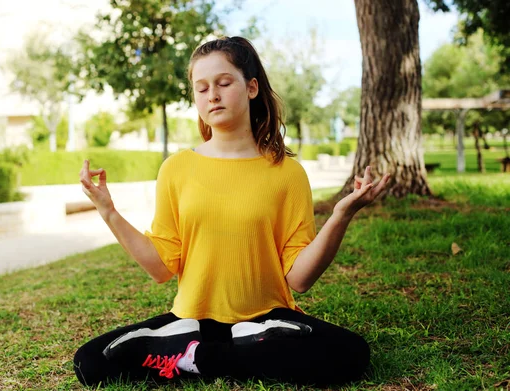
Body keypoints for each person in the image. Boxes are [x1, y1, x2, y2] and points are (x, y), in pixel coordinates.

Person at [74, 36, 391, 388]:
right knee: (90, 362)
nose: (212, 95)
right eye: (202, 88)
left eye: (224, 83)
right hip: (193, 319)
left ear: (251, 87)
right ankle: (207, 349)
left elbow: (299, 279)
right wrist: (109, 211)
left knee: (350, 353)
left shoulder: (286, 173)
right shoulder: (176, 168)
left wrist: (341, 216)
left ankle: (193, 357)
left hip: (267, 320)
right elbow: (161, 267)